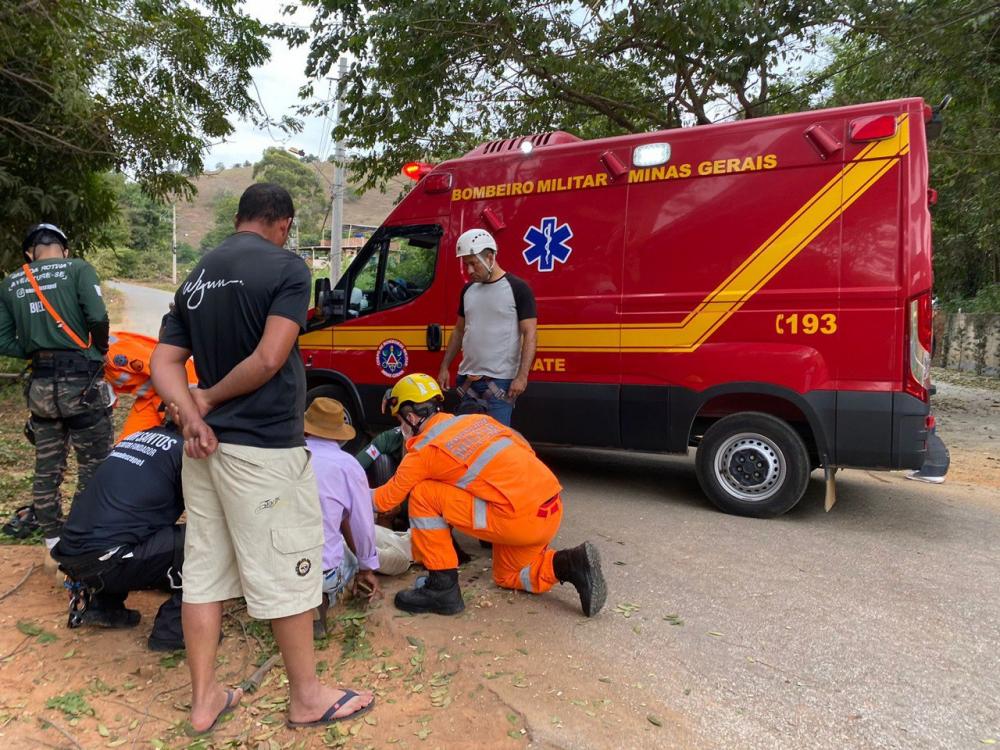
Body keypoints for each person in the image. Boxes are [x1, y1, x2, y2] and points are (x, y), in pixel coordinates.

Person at [151, 183, 373, 734]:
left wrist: (191, 415)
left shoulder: (197, 275)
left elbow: (164, 360)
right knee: (289, 570)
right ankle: (307, 698)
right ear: (283, 224)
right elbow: (271, 357)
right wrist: (206, 400)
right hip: (264, 452)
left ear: (239, 217)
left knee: (203, 575)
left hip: (205, 453)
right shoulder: (286, 267)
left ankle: (205, 700)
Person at [373, 373, 606, 618]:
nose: (401, 427)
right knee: (508, 575)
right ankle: (570, 563)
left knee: (424, 493)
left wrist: (350, 490)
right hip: (549, 508)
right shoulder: (477, 421)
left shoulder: (423, 452)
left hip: (517, 519)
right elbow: (523, 446)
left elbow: (384, 500)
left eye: (399, 419)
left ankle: (442, 588)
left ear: (411, 418)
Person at [0, 223, 113, 550]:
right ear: (64, 249)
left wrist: (36, 350)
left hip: (41, 390)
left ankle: (52, 540)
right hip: (82, 387)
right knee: (94, 464)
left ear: (29, 252)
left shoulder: (10, 283)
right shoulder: (77, 268)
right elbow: (98, 316)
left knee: (47, 465)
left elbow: (3, 339)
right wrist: (99, 349)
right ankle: (83, 535)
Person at [50, 423, 185, 651]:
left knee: (126, 524)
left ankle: (104, 606)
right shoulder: (186, 450)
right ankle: (174, 630)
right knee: (204, 539)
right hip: (110, 562)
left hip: (74, 557)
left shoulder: (138, 437)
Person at [436, 228, 537, 426]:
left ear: (490, 257)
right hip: (467, 381)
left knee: (495, 440)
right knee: (465, 438)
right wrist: (444, 366)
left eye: (473, 263)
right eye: (466, 264)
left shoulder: (518, 288)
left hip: (500, 383)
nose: (469, 270)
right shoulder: (468, 290)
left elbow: (530, 334)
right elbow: (459, 330)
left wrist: (522, 377)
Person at [304, 397, 382, 636]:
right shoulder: (347, 465)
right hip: (317, 569)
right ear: (339, 435)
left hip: (274, 568)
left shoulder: (283, 456)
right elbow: (363, 525)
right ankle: (323, 598)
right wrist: (366, 567)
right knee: (348, 558)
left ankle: (292, 605)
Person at [106, 330, 198, 441]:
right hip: (151, 396)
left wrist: (186, 404)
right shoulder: (95, 361)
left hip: (177, 388)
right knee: (127, 444)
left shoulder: (115, 353)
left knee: (182, 440)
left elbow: (165, 368)